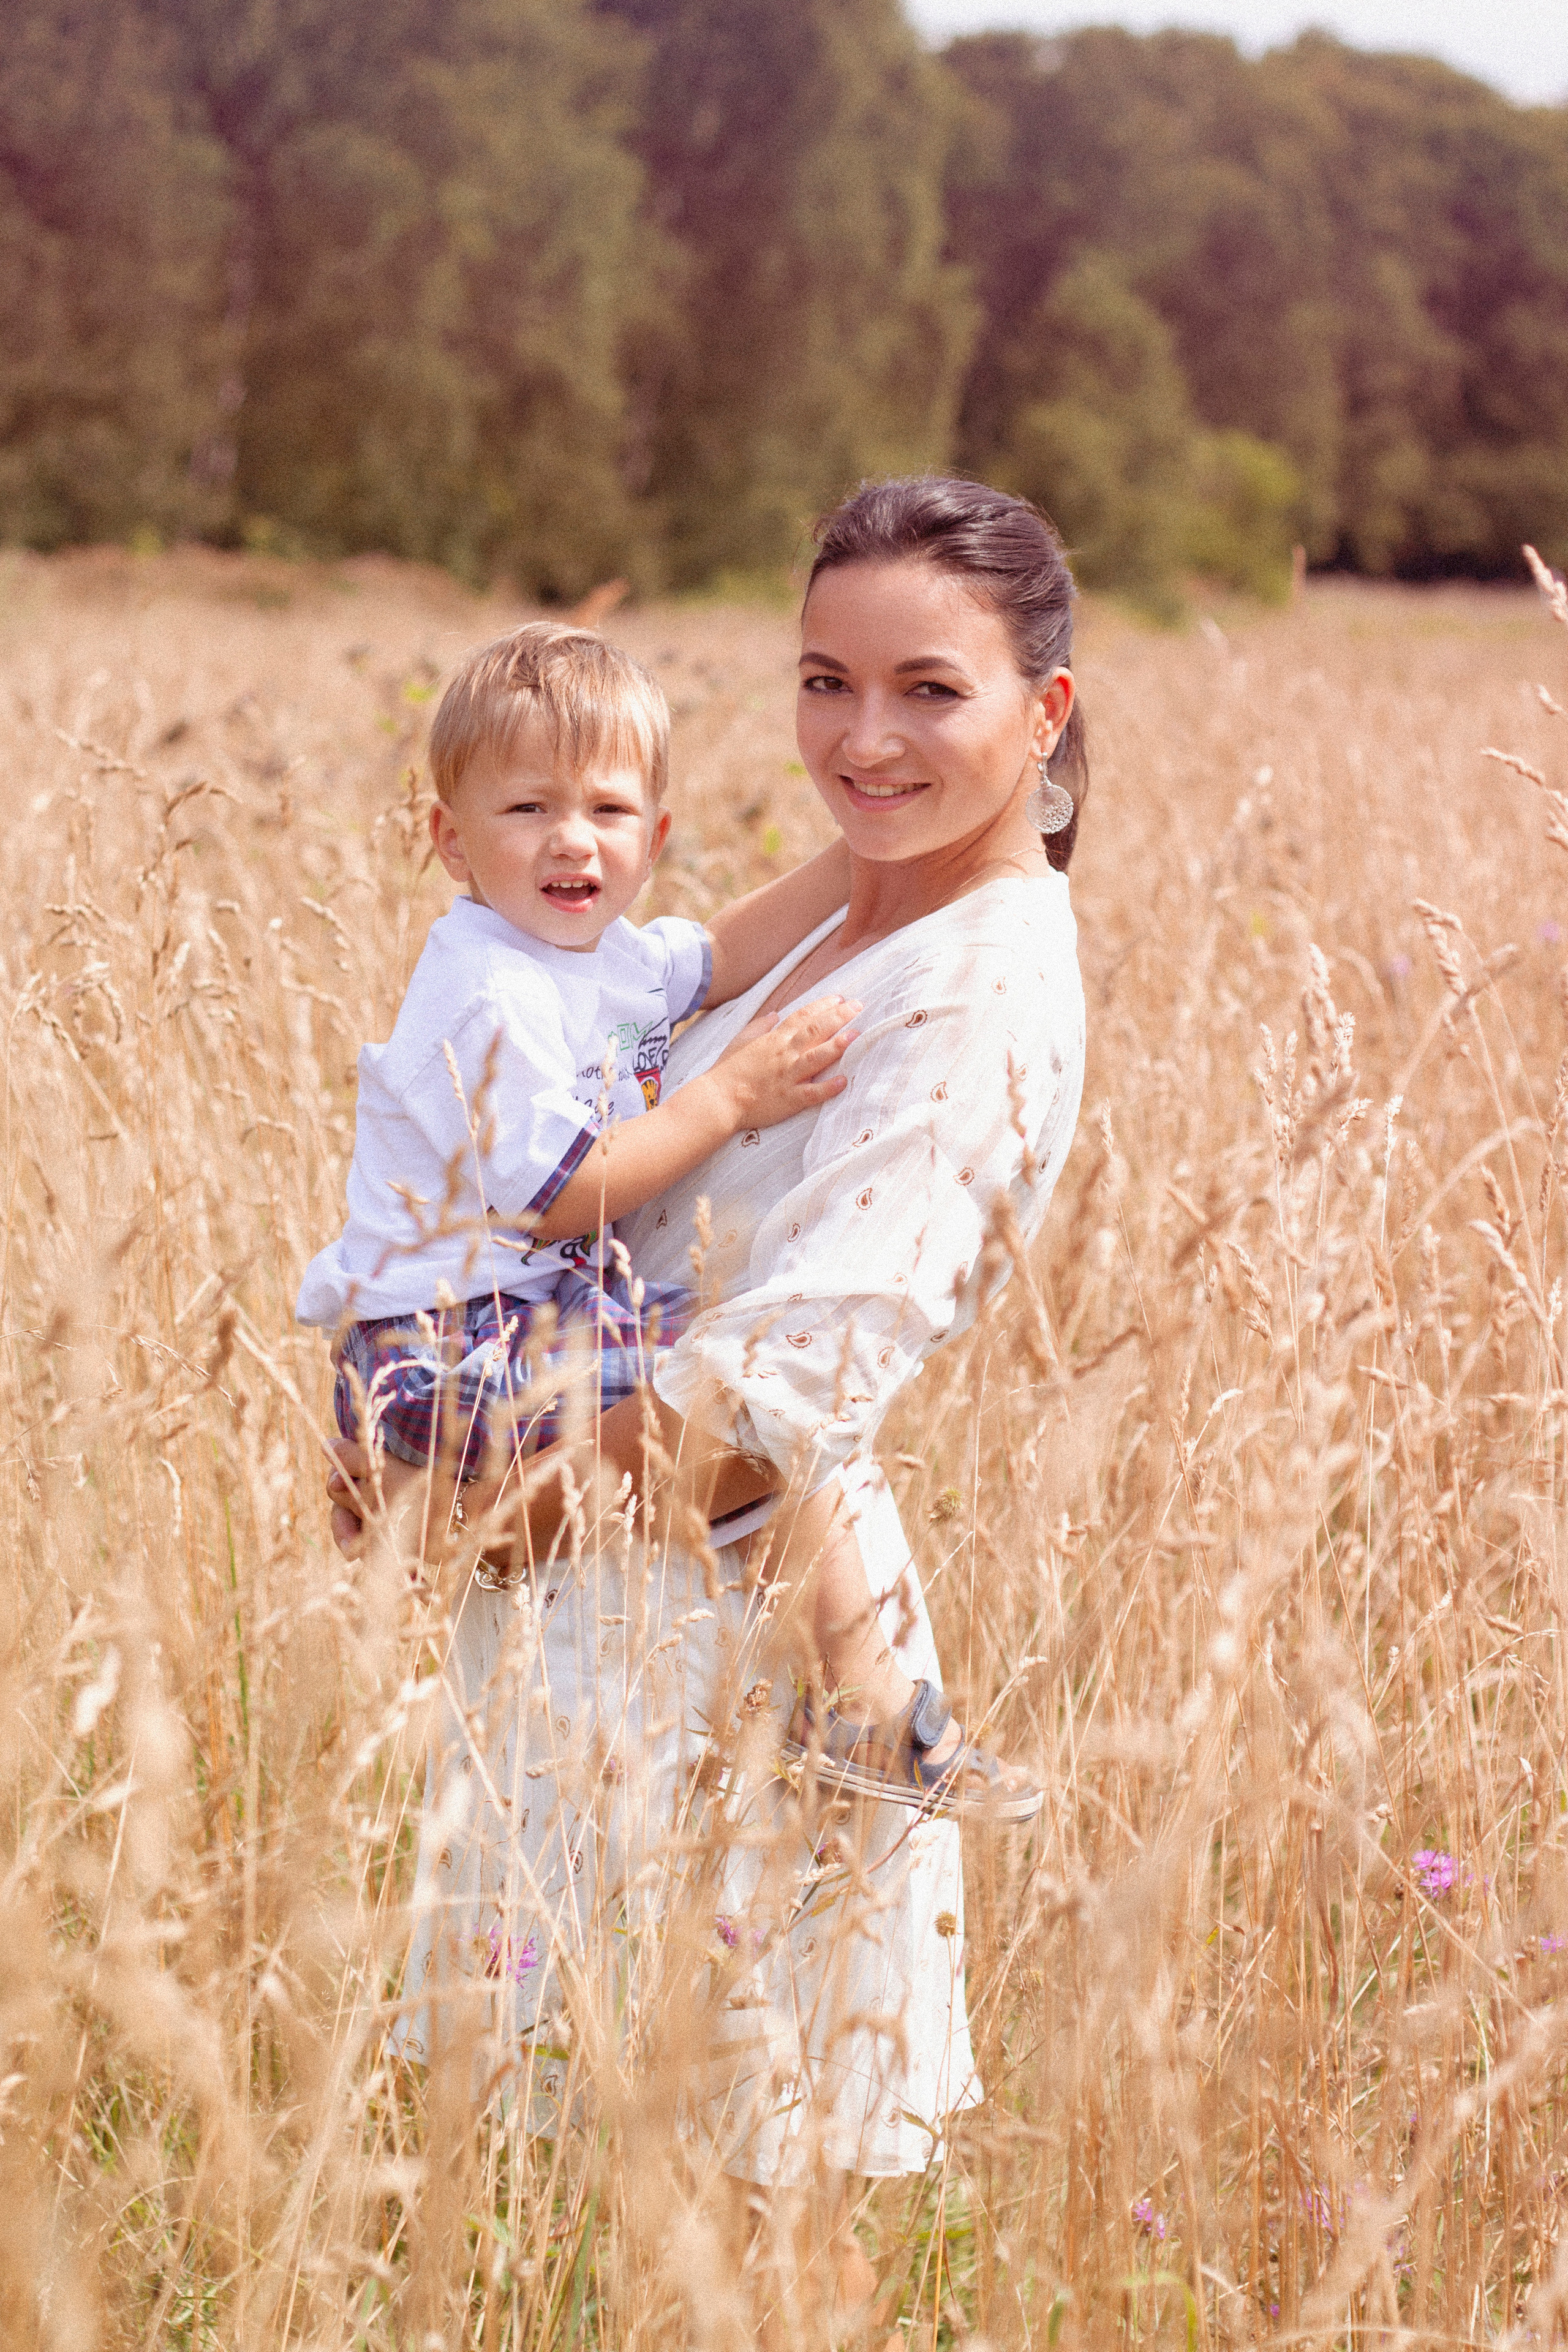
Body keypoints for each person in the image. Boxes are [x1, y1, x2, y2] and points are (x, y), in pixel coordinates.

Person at [326, 475, 1087, 2310]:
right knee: (543, 2246)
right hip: (590, 1624)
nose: (862, 738)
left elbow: (771, 1408)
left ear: (1045, 709)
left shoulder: (984, 987)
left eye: (929, 690)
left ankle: (887, 1725)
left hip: (725, 1675)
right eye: (826, 682)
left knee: (723, 2255)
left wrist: (452, 1514)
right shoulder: (858, 910)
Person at [301, 619, 1028, 1810]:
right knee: (751, 1391)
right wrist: (729, 1094)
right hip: (448, 1338)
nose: (572, 839)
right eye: (527, 809)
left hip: (510, 1318)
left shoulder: (599, 953)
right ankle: (866, 1709)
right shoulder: (488, 987)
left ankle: (834, 1698)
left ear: (657, 836)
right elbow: (559, 1198)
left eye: (608, 810)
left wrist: (882, 849)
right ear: (449, 840)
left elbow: (721, 956)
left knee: (757, 1391)